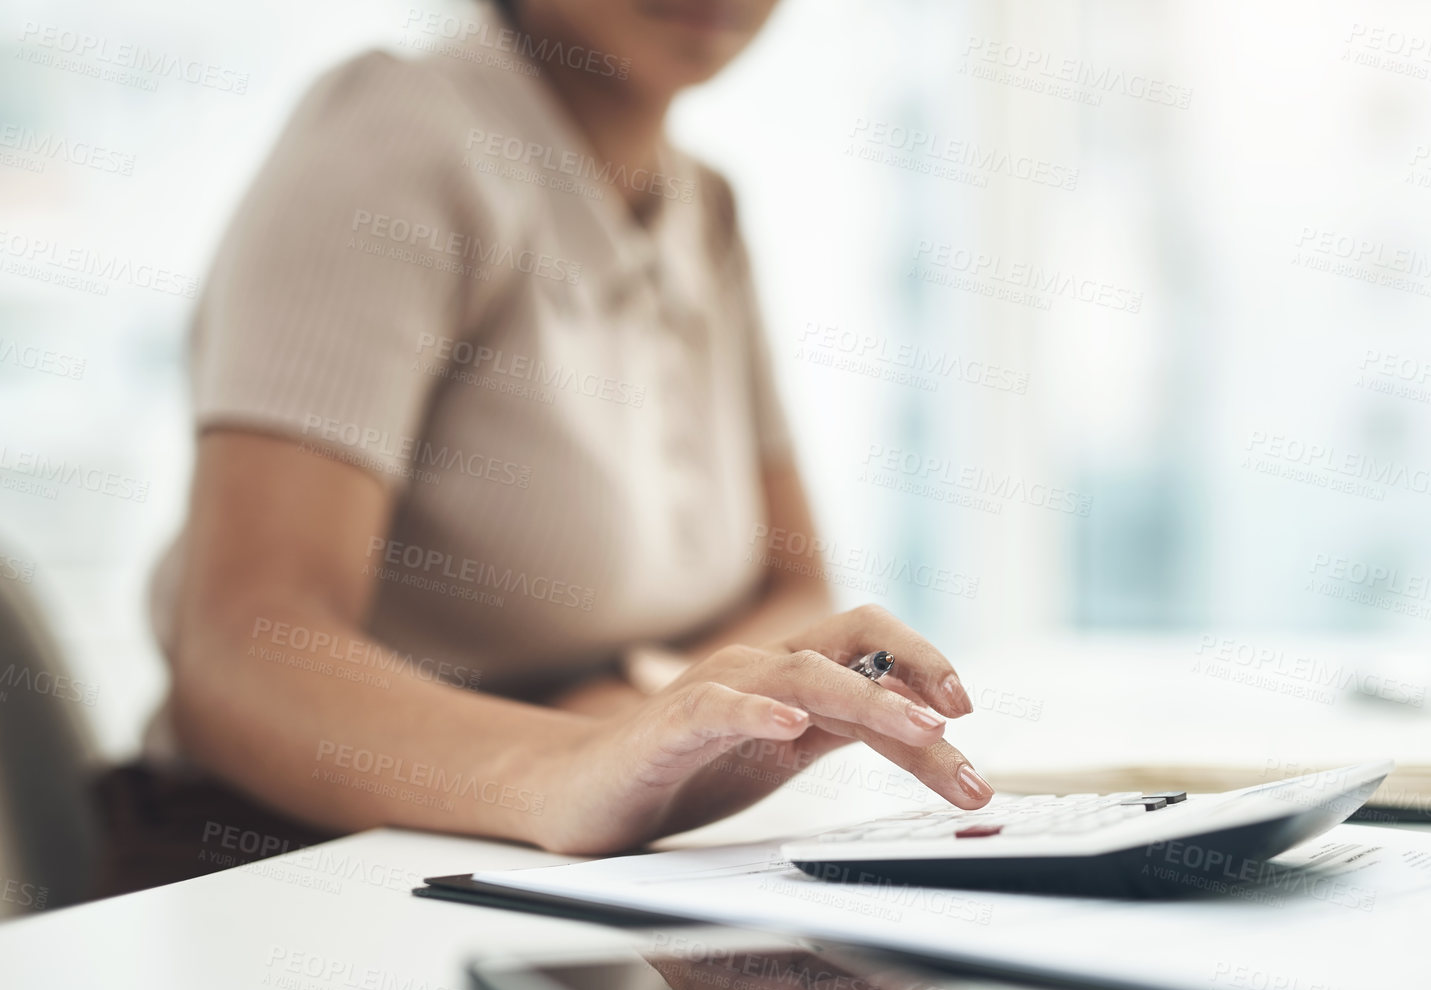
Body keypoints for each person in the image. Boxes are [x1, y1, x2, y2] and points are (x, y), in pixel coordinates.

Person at [97, 0, 992, 892]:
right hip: (283, 860)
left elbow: (792, 581)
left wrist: (646, 699)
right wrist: (576, 758)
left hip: (569, 862)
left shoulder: (704, 207)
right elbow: (241, 646)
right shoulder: (393, 139)